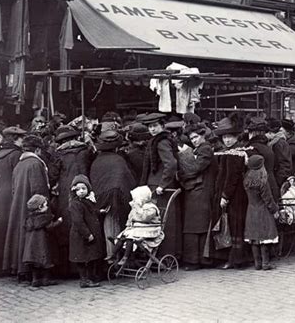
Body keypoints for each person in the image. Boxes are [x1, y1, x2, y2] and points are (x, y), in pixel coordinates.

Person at [3, 134, 49, 281]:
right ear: (37, 150)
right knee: (34, 240)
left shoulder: (19, 164)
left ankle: (21, 268)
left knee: (21, 236)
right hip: (32, 207)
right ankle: (33, 271)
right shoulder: (35, 164)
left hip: (19, 204)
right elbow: (38, 188)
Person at [49, 125, 92, 277]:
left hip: (66, 194)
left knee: (67, 227)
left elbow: (53, 175)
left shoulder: (58, 154)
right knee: (85, 223)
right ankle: (86, 267)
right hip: (85, 189)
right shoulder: (85, 151)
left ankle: (67, 268)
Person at [139, 113, 181, 259]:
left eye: (155, 126)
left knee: (163, 221)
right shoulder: (156, 140)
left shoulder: (162, 141)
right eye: (150, 127)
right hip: (157, 184)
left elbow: (171, 164)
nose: (152, 129)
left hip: (160, 187)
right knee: (160, 220)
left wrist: (162, 185)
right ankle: (164, 255)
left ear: (162, 126)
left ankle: (167, 255)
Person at [0, 126, 25, 276]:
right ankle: (10, 266)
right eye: (21, 138)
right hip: (12, 196)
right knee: (12, 229)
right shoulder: (16, 154)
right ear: (15, 139)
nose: (23, 141)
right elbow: (18, 177)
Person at [91, 130, 136, 258]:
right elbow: (127, 180)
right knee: (116, 225)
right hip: (117, 200)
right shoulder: (119, 160)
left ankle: (109, 255)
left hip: (99, 200)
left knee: (106, 226)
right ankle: (116, 255)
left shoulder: (97, 161)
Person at [178, 123, 217, 270]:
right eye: (191, 138)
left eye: (196, 137)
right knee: (196, 225)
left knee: (197, 226)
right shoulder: (201, 149)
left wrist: (181, 173)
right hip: (199, 190)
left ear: (202, 135)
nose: (193, 140)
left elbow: (196, 168)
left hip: (202, 191)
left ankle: (197, 260)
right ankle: (199, 259)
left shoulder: (205, 149)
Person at [213, 113, 249, 269]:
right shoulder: (231, 151)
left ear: (236, 137)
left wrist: (225, 196)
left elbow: (232, 177)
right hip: (232, 193)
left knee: (234, 225)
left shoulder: (235, 153)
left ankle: (236, 260)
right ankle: (234, 258)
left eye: (230, 137)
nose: (226, 140)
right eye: (224, 137)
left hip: (235, 195)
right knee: (232, 225)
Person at [105, 186, 164, 266]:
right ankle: (113, 254)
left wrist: (138, 209)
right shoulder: (137, 207)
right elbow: (131, 217)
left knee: (130, 238)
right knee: (123, 236)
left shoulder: (151, 208)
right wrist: (129, 224)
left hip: (149, 228)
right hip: (138, 228)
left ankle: (125, 257)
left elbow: (145, 218)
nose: (134, 201)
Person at [69, 175, 105, 288]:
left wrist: (99, 211)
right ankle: (84, 279)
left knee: (91, 257)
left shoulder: (87, 201)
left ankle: (91, 276)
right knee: (82, 258)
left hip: (91, 234)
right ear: (74, 190)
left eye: (83, 189)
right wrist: (87, 234)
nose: (81, 191)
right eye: (78, 189)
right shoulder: (75, 204)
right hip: (82, 236)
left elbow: (91, 212)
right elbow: (78, 221)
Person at [243, 155, 279, 271]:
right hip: (263, 210)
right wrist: (275, 210)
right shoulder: (263, 180)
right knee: (264, 237)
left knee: (254, 238)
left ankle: (257, 264)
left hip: (251, 210)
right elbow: (268, 199)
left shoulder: (246, 179)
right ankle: (265, 263)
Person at [22, 194, 62, 287]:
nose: (47, 207)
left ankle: (35, 280)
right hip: (43, 245)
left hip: (31, 247)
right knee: (45, 262)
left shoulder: (29, 219)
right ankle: (45, 279)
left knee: (35, 264)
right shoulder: (44, 218)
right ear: (40, 207)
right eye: (45, 205)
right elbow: (50, 227)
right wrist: (59, 222)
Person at [246, 117, 279, 200]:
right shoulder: (267, 147)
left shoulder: (252, 148)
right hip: (271, 183)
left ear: (252, 133)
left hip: (260, 187)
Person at [266, 118, 292, 188]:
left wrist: (278, 181)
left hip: (277, 180)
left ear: (270, 132)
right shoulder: (275, 142)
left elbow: (285, 163)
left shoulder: (278, 143)